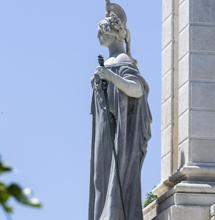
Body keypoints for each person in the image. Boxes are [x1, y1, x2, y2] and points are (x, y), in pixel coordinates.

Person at [88, 1, 152, 220]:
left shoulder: (123, 60)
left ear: (114, 34)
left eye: (100, 31)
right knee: (100, 177)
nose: (98, 36)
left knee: (116, 177)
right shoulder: (108, 61)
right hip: (105, 131)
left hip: (121, 134)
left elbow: (137, 90)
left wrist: (110, 77)